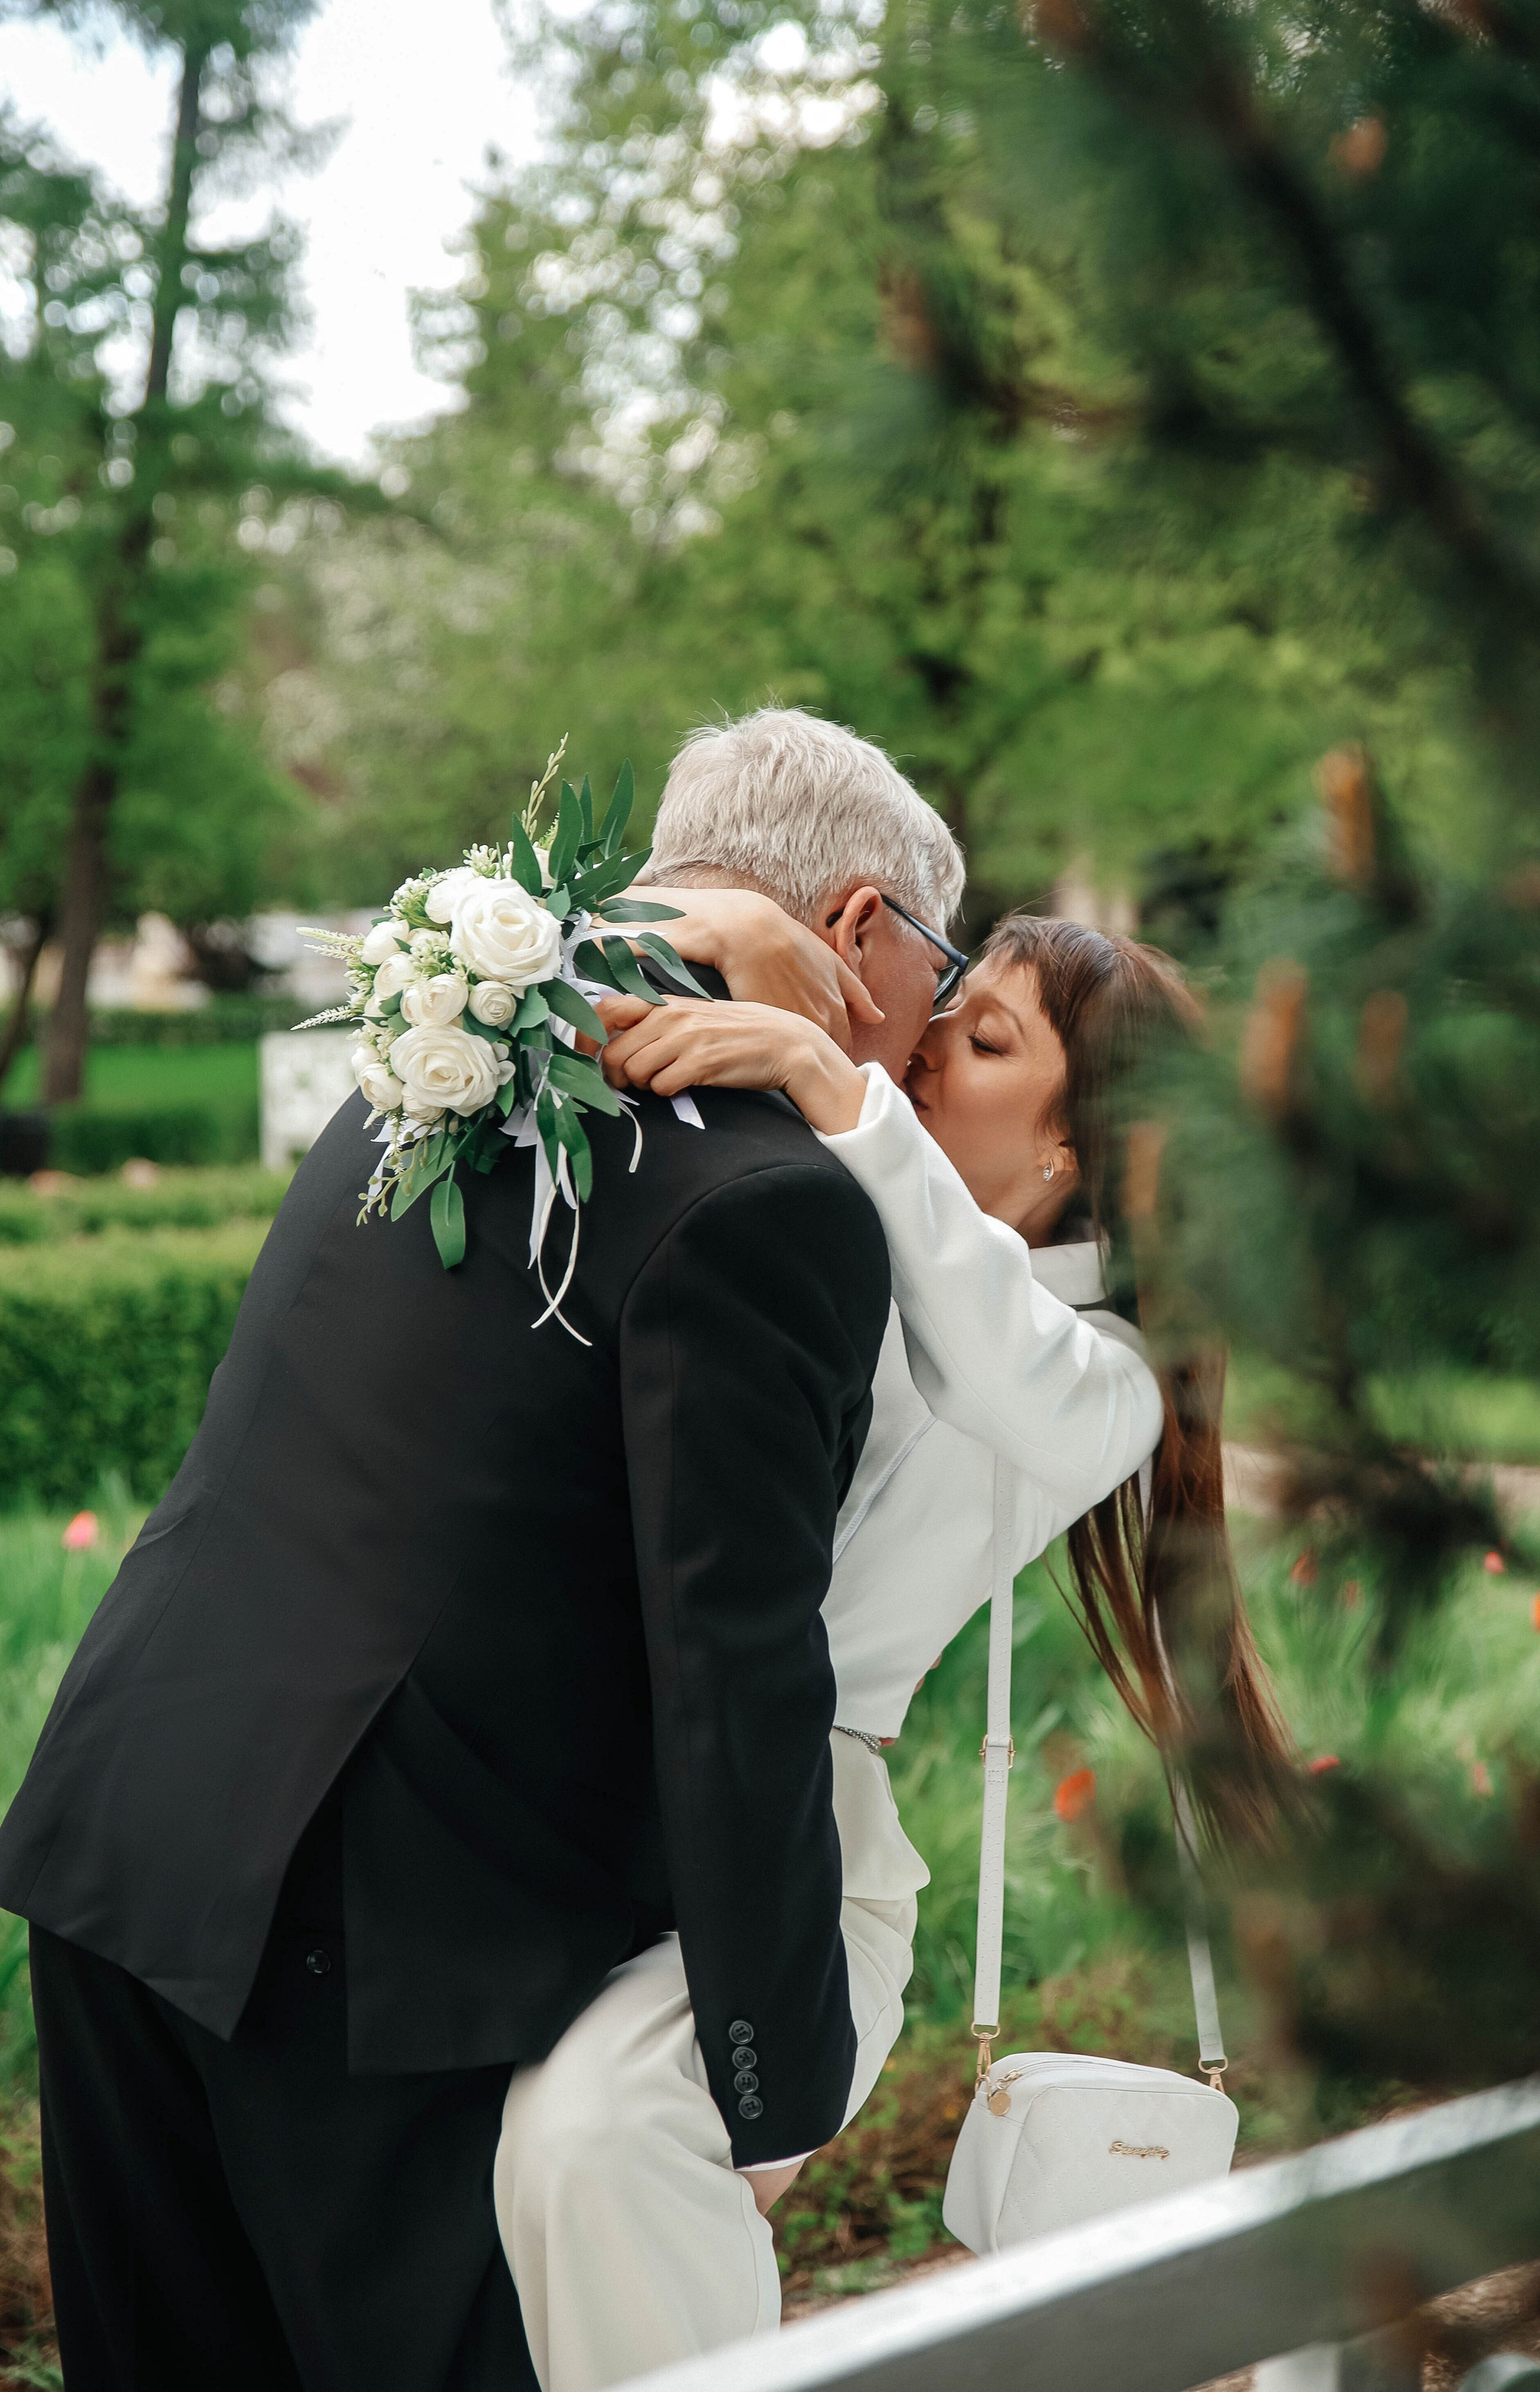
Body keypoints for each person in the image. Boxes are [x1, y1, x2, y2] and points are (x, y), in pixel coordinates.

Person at [0, 708, 960, 2392]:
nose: (930, 1036)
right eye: (936, 980)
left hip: (127, 1844)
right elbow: (734, 1678)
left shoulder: (439, 1042)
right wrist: (771, 2097)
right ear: (859, 927)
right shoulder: (772, 1202)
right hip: (368, 1963)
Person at [493, 905, 1288, 2389]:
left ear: (1073, 1151)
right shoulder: (830, 1222)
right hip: (613, 1797)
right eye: (949, 1010)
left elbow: (994, 1359)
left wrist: (829, 1076)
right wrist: (726, 923)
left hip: (799, 1863)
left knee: (595, 2135)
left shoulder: (1101, 1381)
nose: (921, 1049)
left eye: (985, 1042)